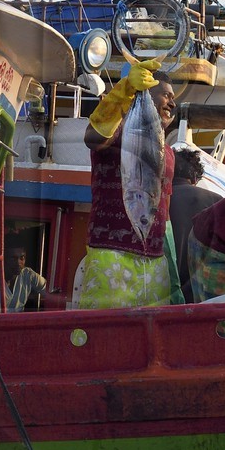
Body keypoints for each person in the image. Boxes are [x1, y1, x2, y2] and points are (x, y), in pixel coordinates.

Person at [70, 60, 179, 309]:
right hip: (112, 253)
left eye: (174, 98)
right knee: (104, 335)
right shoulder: (120, 131)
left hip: (155, 260)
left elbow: (165, 209)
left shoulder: (168, 152)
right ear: (147, 94)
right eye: (166, 95)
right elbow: (93, 138)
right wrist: (126, 90)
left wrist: (170, 262)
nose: (172, 103)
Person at [167, 147, 221, 302]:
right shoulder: (217, 201)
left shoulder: (157, 202)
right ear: (195, 179)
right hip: (205, 294)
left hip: (164, 292)